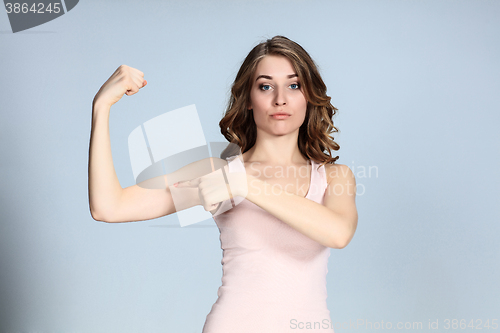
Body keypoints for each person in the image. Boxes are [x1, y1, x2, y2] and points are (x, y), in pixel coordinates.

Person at [89, 35, 358, 333]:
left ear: (309, 96)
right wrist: (101, 107)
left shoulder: (334, 177)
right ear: (248, 101)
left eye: (293, 85)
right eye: (265, 86)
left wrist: (244, 185)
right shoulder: (218, 171)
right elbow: (108, 208)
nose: (280, 98)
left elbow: (338, 233)